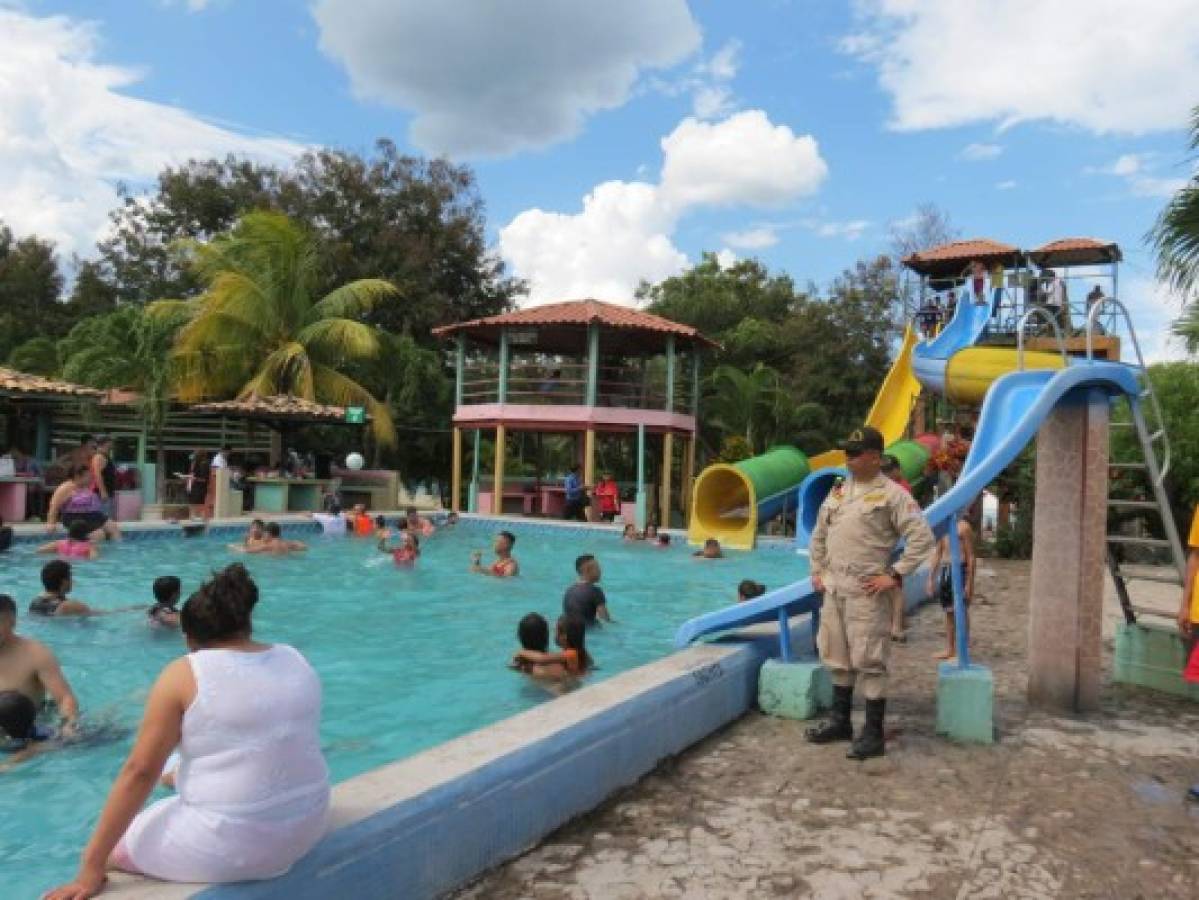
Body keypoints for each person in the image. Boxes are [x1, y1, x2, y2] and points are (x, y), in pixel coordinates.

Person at [44, 564, 330, 895]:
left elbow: (138, 772)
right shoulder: (293, 658)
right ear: (247, 623)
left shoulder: (184, 672)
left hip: (237, 846)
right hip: (310, 820)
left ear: (188, 637)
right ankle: (176, 775)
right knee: (187, 756)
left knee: (115, 849)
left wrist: (89, 870)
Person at [806, 426, 935, 760]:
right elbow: (819, 534)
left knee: (870, 661)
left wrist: (894, 575)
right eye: (846, 452)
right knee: (837, 657)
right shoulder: (837, 491)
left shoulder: (894, 496)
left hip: (866, 590)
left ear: (874, 457)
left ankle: (873, 734)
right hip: (835, 588)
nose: (847, 458)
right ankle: (840, 722)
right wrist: (817, 571)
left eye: (854, 453)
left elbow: (922, 538)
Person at [0, 595, 80, 760]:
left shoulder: (35, 654)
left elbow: (65, 697)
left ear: (12, 622)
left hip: (27, 735)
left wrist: (69, 725)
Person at [927, 518, 977, 661]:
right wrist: (930, 578)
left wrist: (969, 582)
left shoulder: (963, 527)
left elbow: (971, 556)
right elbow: (937, 554)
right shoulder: (943, 527)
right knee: (948, 612)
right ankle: (950, 649)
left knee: (961, 610)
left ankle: (963, 650)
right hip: (946, 570)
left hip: (960, 569)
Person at [47, 464, 122, 541]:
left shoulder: (86, 486)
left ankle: (118, 549)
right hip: (74, 517)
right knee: (99, 534)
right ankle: (87, 549)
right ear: (77, 476)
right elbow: (54, 507)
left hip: (93, 515)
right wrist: (51, 523)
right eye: (87, 476)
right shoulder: (65, 488)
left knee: (113, 528)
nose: (91, 478)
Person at [511, 614, 592, 677]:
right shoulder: (581, 652)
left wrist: (522, 652)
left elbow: (542, 658)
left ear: (564, 637)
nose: (554, 634)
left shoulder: (570, 654)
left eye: (556, 631)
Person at [29, 560, 96, 617]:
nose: (73, 581)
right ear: (64, 582)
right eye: (70, 578)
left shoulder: (34, 603)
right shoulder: (69, 606)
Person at [509, 613, 567, 679]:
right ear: (547, 636)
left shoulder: (522, 666)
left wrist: (521, 653)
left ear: (520, 638)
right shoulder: (560, 661)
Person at [563, 555, 611, 625]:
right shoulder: (595, 591)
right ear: (587, 570)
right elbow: (605, 619)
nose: (600, 571)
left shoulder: (569, 591)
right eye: (597, 568)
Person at [90, 435, 118, 518]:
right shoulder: (99, 457)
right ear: (106, 443)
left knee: (108, 518)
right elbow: (97, 475)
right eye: (110, 441)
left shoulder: (105, 456)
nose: (112, 444)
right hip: (101, 494)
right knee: (104, 519)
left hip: (108, 493)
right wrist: (103, 491)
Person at [186, 449, 211, 519]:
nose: (193, 457)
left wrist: (193, 478)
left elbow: (203, 479)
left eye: (195, 455)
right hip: (192, 486)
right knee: (191, 502)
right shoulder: (195, 463)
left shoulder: (204, 464)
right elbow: (192, 473)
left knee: (197, 503)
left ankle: (198, 517)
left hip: (199, 488)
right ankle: (192, 516)